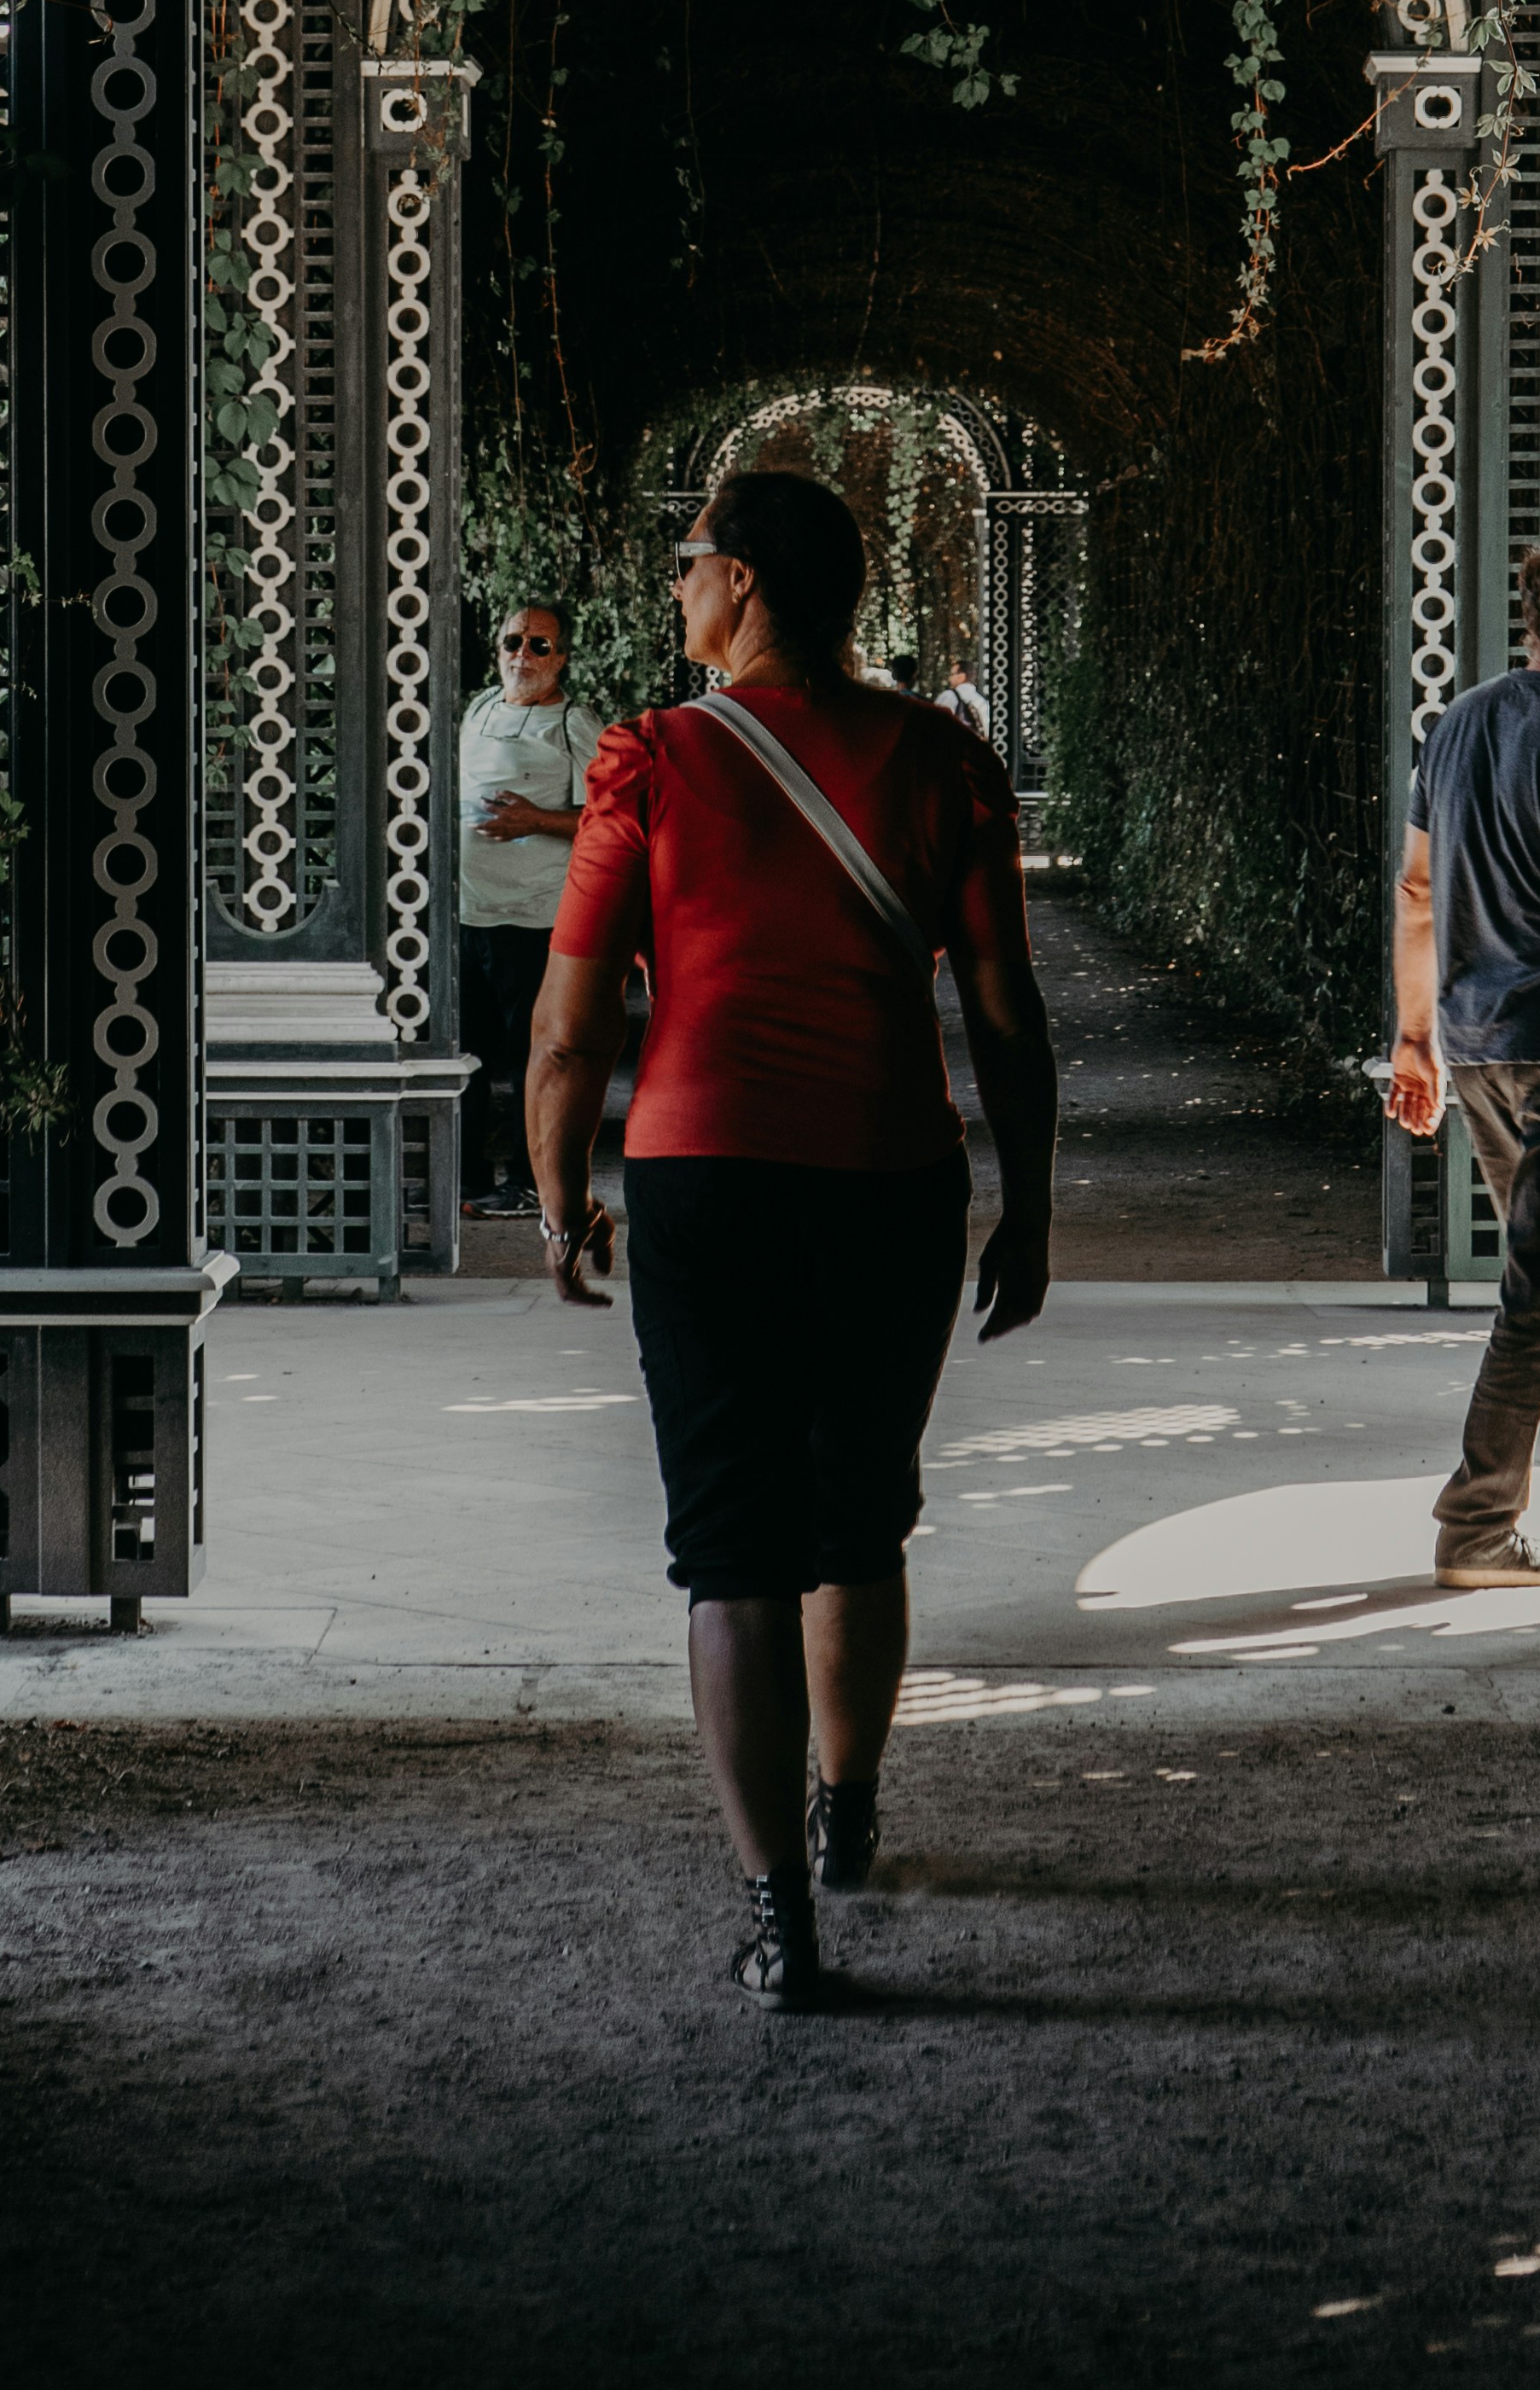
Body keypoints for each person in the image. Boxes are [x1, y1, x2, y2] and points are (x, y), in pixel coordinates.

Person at [524, 466, 1057, 2009]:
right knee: (859, 1516)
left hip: (703, 1180)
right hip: (893, 1179)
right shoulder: (947, 760)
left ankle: (777, 1916)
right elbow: (1006, 1020)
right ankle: (851, 1811)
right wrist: (1027, 1205)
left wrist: (561, 1201)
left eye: (689, 560)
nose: (677, 585)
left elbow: (570, 1026)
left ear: (743, 579)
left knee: (728, 1551)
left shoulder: (652, 760)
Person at [1386, 528, 1540, 1585]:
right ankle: (1476, 1525)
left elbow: (1415, 893)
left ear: (1532, 617)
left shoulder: (1454, 727)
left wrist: (1411, 1041)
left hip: (1476, 1048)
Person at [454, 600, 604, 1213]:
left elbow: (611, 817)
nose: (524, 656)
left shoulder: (574, 723)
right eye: (514, 642)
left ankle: (526, 1182)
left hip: (534, 917)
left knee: (531, 1057)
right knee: (462, 1054)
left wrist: (534, 819)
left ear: (563, 658)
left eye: (541, 646)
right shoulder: (481, 708)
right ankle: (461, 1181)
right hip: (467, 914)